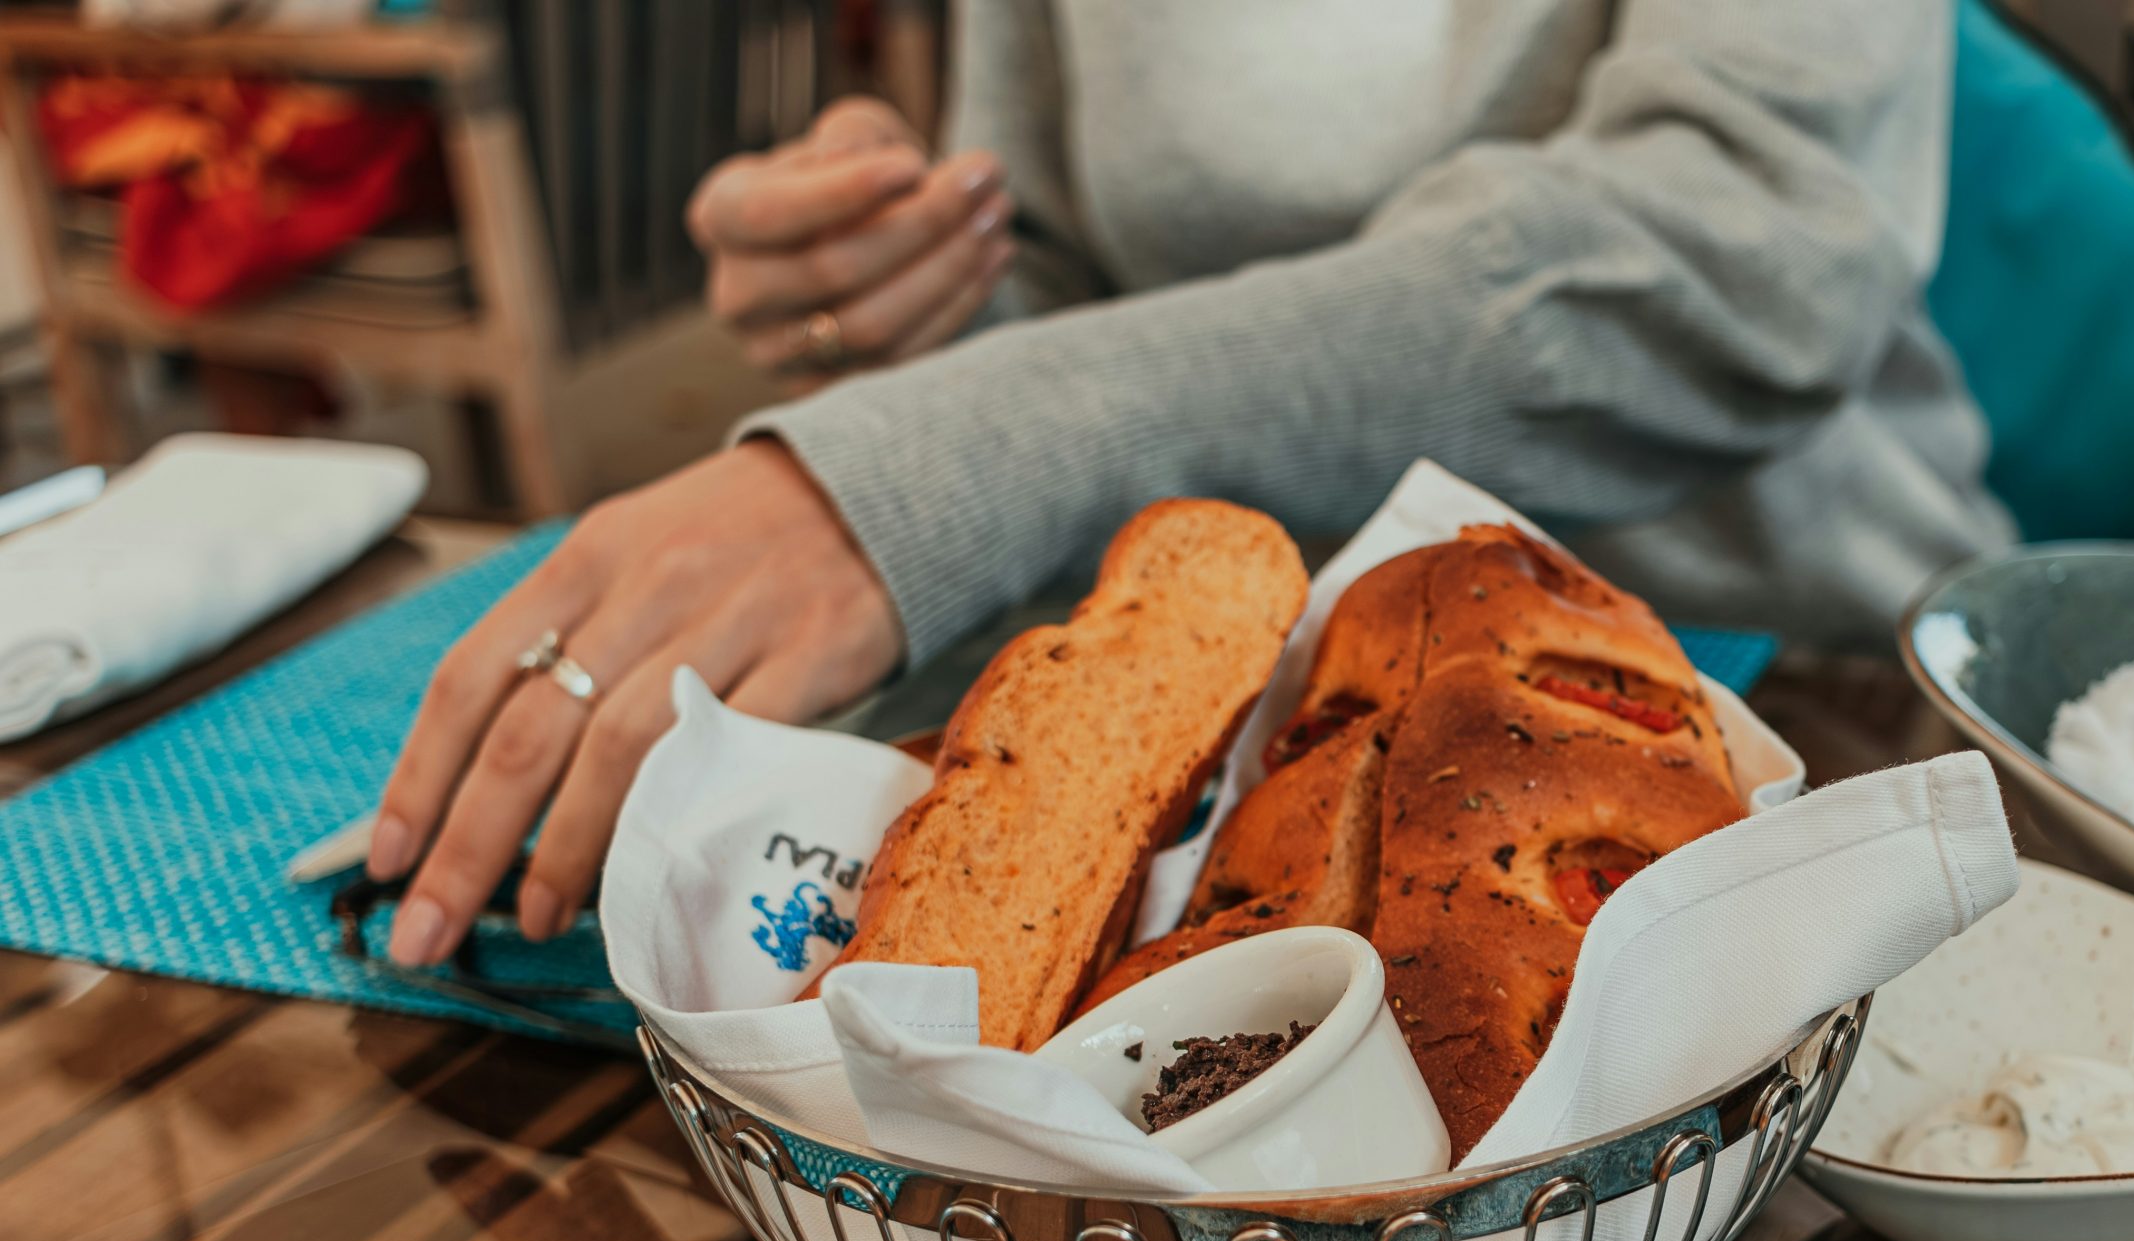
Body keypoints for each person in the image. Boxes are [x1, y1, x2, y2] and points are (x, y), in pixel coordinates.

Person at [368, 0, 2012, 967]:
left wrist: (942, 455)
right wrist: (910, 288)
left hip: (1801, 707)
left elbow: (1736, 256)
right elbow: (1075, 298)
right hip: (1259, 744)